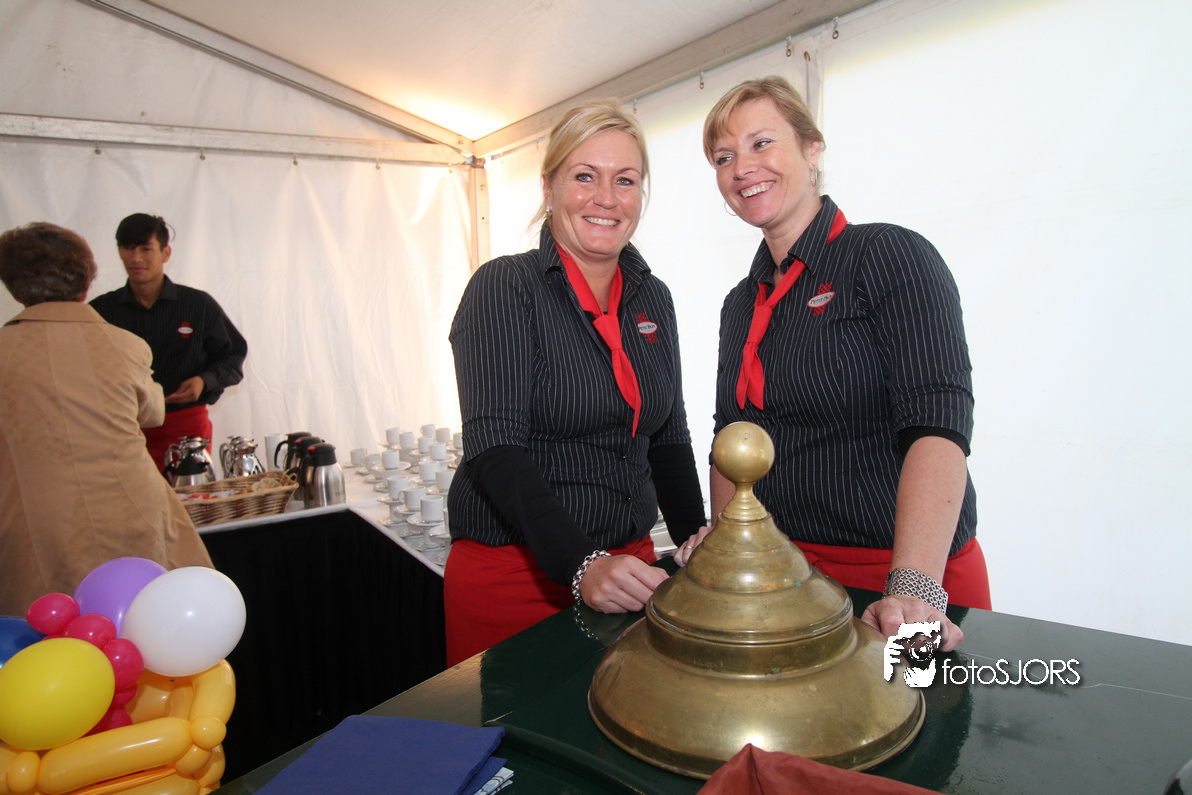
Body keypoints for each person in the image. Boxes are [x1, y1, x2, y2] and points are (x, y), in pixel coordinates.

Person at [677, 76, 989, 652]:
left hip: (902, 579)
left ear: (812, 149)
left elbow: (938, 424)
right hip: (791, 582)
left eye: (761, 143)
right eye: (724, 157)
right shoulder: (740, 303)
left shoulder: (889, 254)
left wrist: (914, 588)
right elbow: (731, 437)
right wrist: (725, 543)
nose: (743, 167)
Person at [444, 100, 706, 665]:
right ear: (549, 188)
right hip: (519, 578)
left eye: (625, 180)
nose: (606, 198)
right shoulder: (506, 286)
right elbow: (495, 448)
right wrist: (582, 565)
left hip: (631, 571)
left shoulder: (653, 296)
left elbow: (669, 437)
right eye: (585, 176)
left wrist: (697, 542)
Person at [0, 222, 213, 617]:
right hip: (133, 511)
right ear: (87, 280)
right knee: (150, 625)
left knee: (52, 633)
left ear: (13, 287)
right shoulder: (125, 345)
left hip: (38, 524)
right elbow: (152, 413)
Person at [90, 214, 247, 472]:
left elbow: (232, 357)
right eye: (128, 248)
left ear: (165, 253)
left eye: (146, 249)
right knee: (130, 498)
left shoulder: (197, 305)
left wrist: (204, 381)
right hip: (122, 429)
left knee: (189, 497)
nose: (136, 258)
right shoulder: (101, 311)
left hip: (186, 430)